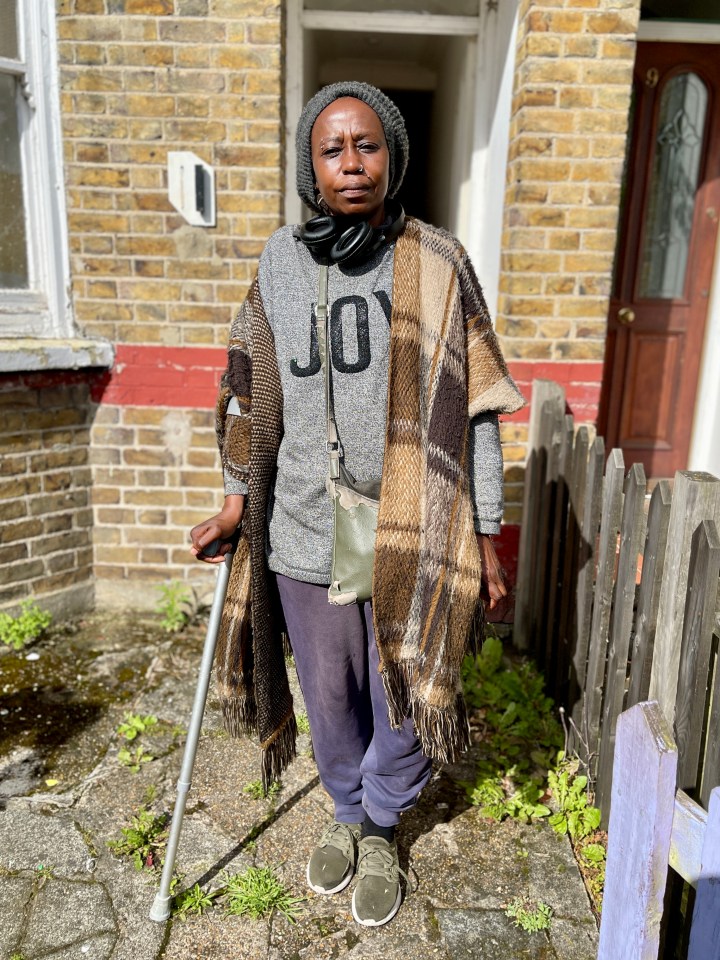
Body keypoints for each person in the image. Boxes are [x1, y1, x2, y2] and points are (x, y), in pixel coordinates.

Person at [189, 81, 525, 928]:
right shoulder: (280, 261)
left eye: (367, 145)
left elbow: (475, 413)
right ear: (310, 163)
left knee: (403, 685)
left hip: (411, 528)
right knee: (330, 691)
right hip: (300, 521)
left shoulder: (439, 262)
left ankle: (381, 823)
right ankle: (345, 810)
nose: (351, 163)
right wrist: (236, 504)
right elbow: (245, 392)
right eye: (332, 148)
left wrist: (485, 536)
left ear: (393, 155)